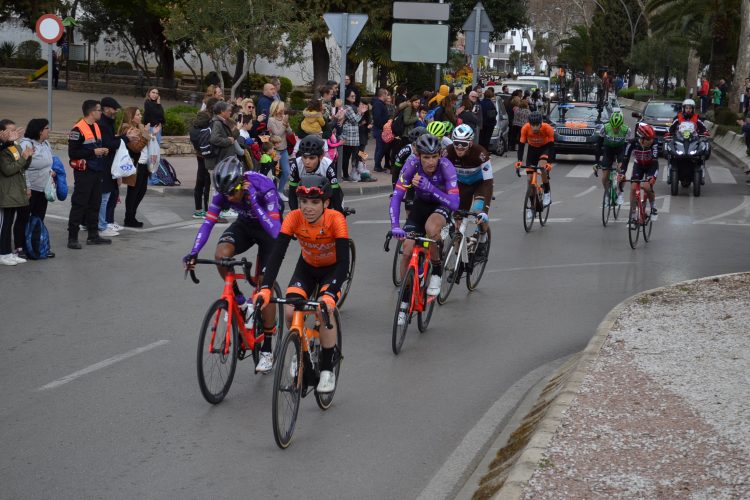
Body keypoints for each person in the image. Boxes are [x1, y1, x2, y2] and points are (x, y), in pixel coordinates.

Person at [184, 156, 281, 373]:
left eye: (232, 193)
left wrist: (255, 202)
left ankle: (266, 348)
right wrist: (193, 252)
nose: (229, 198)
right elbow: (207, 224)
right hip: (245, 226)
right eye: (225, 194)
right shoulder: (224, 194)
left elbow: (275, 229)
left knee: (265, 285)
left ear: (241, 183)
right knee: (221, 255)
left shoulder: (263, 186)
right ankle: (240, 302)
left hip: (269, 228)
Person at [254, 174, 349, 393]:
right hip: (306, 268)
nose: (308, 207)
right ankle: (300, 349)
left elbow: (345, 263)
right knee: (289, 312)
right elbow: (277, 255)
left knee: (324, 312)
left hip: (331, 271)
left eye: (315, 202)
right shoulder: (294, 217)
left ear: (326, 203)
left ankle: (326, 368)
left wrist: (331, 292)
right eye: (303, 201)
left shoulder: (336, 219)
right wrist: (266, 287)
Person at [389, 133, 459, 309]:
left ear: (439, 155)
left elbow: (454, 203)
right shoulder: (411, 163)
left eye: (434, 156)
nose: (431, 162)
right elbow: (397, 196)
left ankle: (436, 268)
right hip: (421, 204)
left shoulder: (446, 166)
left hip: (441, 204)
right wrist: (395, 226)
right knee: (407, 249)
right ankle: (405, 296)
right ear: (418, 156)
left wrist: (430, 188)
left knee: (431, 228)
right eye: (426, 157)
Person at [66, 100, 117, 248]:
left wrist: (102, 150)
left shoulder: (96, 126)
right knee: (79, 204)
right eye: (99, 110)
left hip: (96, 170)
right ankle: (72, 238)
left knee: (95, 203)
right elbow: (73, 153)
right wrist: (93, 152)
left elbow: (96, 145)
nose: (101, 112)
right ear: (91, 112)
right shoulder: (77, 130)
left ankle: (93, 235)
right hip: (84, 172)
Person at [444, 124, 492, 260]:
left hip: (479, 185)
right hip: (461, 185)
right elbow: (442, 177)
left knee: (478, 213)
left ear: (470, 143)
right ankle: (458, 256)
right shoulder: (448, 152)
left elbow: (488, 183)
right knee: (458, 220)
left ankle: (482, 238)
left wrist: (485, 210)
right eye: (456, 143)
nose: (459, 147)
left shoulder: (481, 153)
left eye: (463, 144)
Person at [98, 97, 139, 238]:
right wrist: (127, 138)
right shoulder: (103, 123)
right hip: (103, 164)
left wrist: (122, 137)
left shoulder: (108, 122)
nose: (116, 111)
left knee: (107, 195)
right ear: (106, 108)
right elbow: (109, 143)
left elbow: (112, 140)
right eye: (114, 108)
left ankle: (100, 223)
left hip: (108, 164)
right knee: (104, 197)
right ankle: (102, 225)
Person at [18, 118, 54, 257]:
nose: (48, 130)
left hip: (43, 189)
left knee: (38, 218)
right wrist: (27, 187)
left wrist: (51, 172)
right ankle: (20, 248)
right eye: (46, 128)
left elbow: (48, 162)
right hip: (29, 189)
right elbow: (23, 168)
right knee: (24, 219)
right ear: (39, 131)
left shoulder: (45, 143)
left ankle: (36, 246)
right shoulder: (26, 144)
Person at [0, 119, 33, 265]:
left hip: (15, 191)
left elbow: (22, 167)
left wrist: (28, 156)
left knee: (9, 224)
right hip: (5, 192)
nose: (14, 133)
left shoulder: (15, 146)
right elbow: (8, 170)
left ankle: (7, 252)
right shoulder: (3, 150)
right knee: (4, 225)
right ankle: (2, 253)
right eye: (10, 130)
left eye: (15, 130)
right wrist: (23, 158)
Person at [288, 135, 343, 213]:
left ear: (321, 157)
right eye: (304, 157)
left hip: (325, 195)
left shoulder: (327, 165)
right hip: (306, 197)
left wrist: (339, 214)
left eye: (312, 158)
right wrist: (295, 215)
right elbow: (292, 193)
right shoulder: (296, 164)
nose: (307, 162)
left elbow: (335, 193)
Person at [515, 111, 555, 212]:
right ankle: (533, 206)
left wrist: (549, 163)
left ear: (541, 123)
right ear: (529, 124)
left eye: (537, 125)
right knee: (529, 180)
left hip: (544, 148)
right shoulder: (525, 128)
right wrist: (519, 161)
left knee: (542, 167)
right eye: (533, 125)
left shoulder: (547, 128)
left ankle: (547, 192)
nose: (535, 127)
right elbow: (521, 146)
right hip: (532, 150)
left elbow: (551, 147)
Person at [118, 107, 151, 227]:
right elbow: (136, 148)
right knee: (133, 192)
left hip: (143, 164)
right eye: (138, 114)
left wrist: (147, 133)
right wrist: (146, 134)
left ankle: (132, 215)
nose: (141, 116)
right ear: (131, 117)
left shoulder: (139, 128)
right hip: (135, 165)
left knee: (141, 191)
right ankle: (129, 218)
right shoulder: (127, 129)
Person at [623, 123, 659, 220]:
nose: (651, 141)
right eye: (648, 139)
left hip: (651, 166)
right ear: (642, 138)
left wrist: (651, 178)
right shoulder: (632, 143)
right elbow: (626, 158)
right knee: (633, 188)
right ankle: (633, 215)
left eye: (652, 138)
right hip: (638, 166)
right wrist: (622, 173)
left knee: (647, 187)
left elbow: (655, 160)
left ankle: (653, 207)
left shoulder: (654, 143)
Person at [595, 111, 631, 205]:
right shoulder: (605, 128)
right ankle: (607, 194)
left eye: (617, 127)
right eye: (614, 127)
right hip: (608, 150)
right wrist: (597, 161)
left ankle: (620, 193)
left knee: (620, 170)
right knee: (605, 174)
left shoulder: (626, 130)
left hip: (620, 149)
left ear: (621, 125)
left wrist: (623, 168)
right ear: (610, 124)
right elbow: (598, 146)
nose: (615, 129)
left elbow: (627, 150)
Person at [267, 100, 292, 200]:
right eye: (281, 107)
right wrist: (284, 124)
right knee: (274, 173)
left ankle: (280, 191)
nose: (283, 110)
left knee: (286, 172)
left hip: (284, 149)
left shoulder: (284, 119)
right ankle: (272, 193)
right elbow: (277, 134)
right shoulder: (271, 120)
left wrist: (287, 125)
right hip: (275, 150)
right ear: (276, 108)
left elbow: (290, 133)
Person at [341, 91, 368, 181]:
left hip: (358, 136)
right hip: (350, 136)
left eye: (355, 95)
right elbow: (355, 120)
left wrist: (362, 113)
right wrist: (360, 112)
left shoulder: (353, 107)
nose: (354, 97)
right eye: (352, 96)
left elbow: (361, 120)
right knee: (347, 156)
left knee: (358, 154)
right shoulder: (347, 107)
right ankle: (346, 174)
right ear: (347, 97)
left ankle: (356, 171)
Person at [371, 88, 390, 172]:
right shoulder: (378, 104)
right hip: (380, 129)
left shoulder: (380, 104)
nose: (388, 96)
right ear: (383, 95)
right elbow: (377, 118)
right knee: (381, 148)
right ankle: (377, 165)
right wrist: (383, 126)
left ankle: (377, 164)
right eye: (386, 94)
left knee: (380, 147)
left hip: (380, 128)